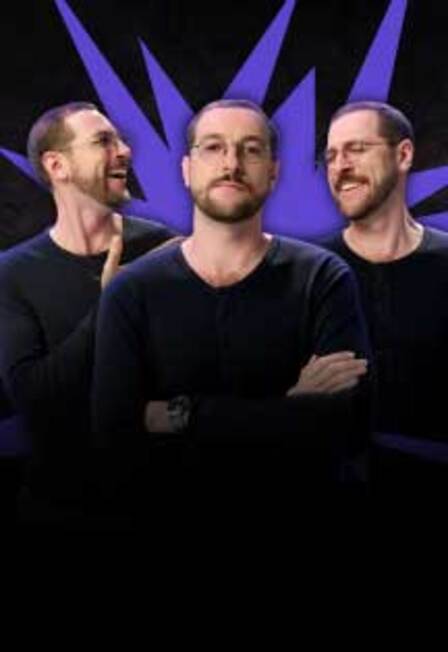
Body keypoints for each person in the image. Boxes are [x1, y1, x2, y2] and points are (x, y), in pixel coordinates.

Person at [92, 99, 370, 524]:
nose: (232, 164)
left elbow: (345, 425)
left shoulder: (323, 277)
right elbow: (113, 435)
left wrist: (178, 414)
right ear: (187, 169)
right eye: (213, 147)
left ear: (273, 171)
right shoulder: (131, 291)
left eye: (251, 149)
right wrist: (289, 406)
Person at [0, 102, 175, 528]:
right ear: (57, 165)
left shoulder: (163, 250)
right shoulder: (12, 274)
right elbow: (35, 400)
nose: (125, 151)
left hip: (160, 500)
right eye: (103, 141)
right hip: (59, 511)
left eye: (120, 140)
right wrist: (111, 303)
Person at [321, 100, 448, 496]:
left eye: (356, 149)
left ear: (404, 155)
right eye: (331, 156)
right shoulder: (308, 271)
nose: (340, 166)